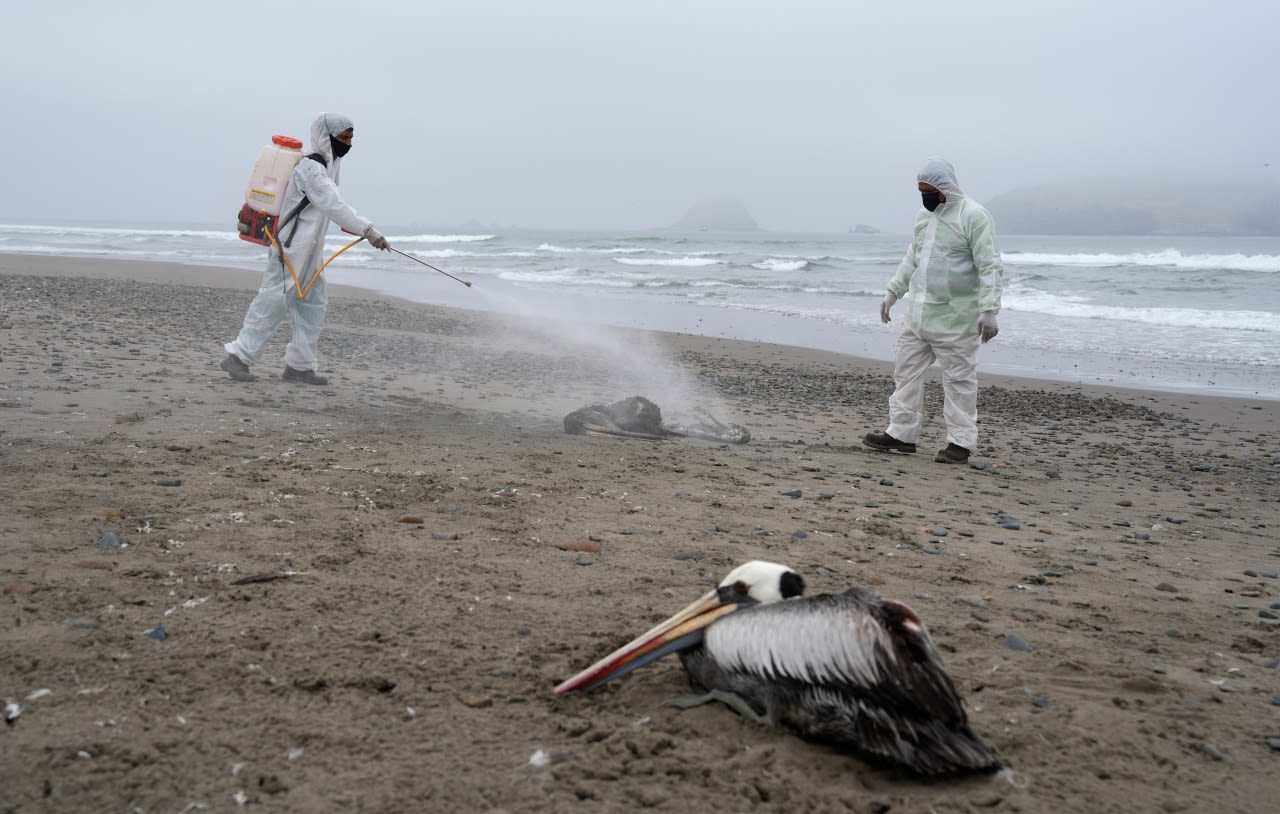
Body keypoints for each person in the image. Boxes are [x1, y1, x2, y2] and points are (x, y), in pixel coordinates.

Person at [221, 112, 390, 385]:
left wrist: (364, 230)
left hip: (309, 251)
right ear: (327, 136)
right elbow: (333, 205)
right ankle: (239, 357)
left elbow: (331, 206)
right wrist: (368, 231)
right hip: (288, 249)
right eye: (344, 138)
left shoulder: (329, 167)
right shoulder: (311, 167)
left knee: (312, 305)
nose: (348, 143)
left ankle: (299, 367)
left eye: (351, 138)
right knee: (273, 301)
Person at [863, 158, 1003, 465]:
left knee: (959, 381)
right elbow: (912, 257)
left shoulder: (974, 217)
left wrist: (990, 309)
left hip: (956, 318)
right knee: (905, 373)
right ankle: (901, 434)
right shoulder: (924, 217)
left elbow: (989, 264)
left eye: (929, 190)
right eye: (920, 190)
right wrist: (893, 291)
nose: (924, 196)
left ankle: (960, 443)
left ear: (945, 187)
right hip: (918, 315)